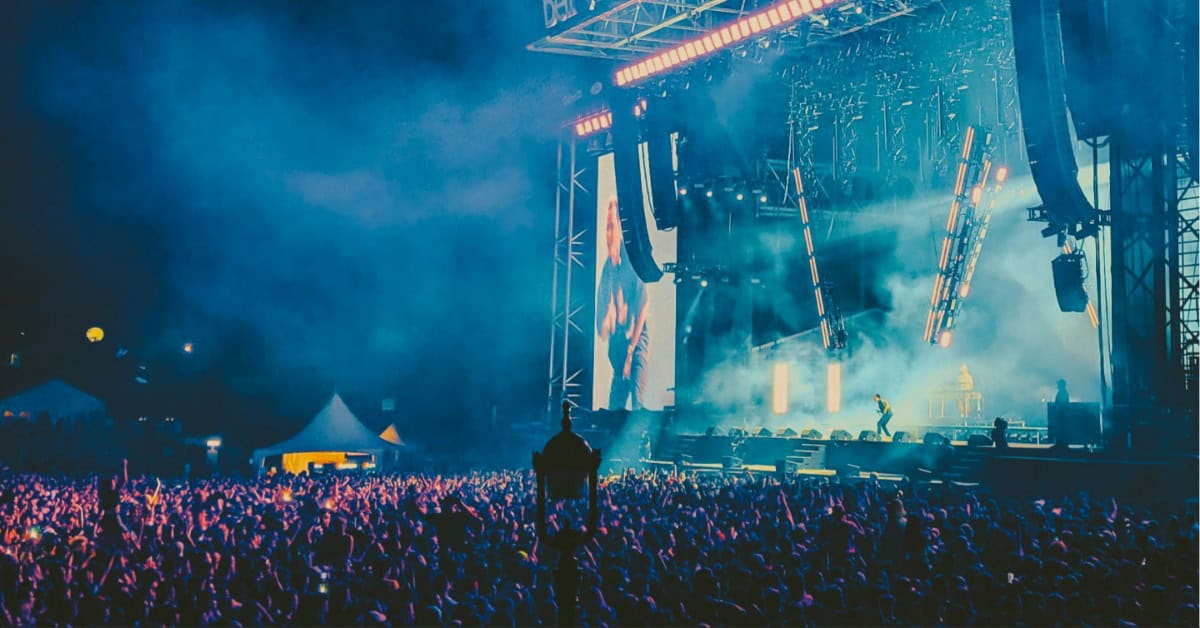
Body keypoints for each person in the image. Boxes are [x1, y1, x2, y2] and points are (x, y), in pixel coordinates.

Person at [596, 197, 650, 410]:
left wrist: (630, 353)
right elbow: (602, 326)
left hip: (635, 343)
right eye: (606, 228)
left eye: (612, 227)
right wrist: (606, 318)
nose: (608, 234)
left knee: (637, 400)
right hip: (617, 345)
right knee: (615, 404)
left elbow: (642, 310)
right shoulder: (608, 268)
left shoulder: (632, 264)